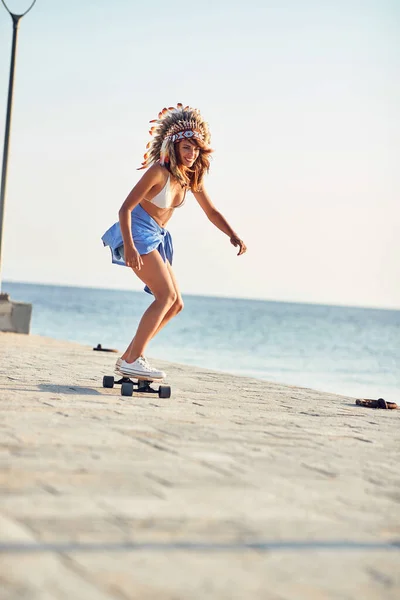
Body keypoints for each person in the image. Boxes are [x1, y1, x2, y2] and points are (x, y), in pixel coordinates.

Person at [102, 103, 247, 380]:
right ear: (173, 148)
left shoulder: (192, 177)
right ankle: (133, 359)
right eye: (186, 148)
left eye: (195, 149)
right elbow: (125, 209)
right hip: (137, 232)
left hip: (156, 236)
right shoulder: (158, 172)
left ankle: (129, 356)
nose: (191, 154)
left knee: (176, 303)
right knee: (164, 296)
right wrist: (130, 247)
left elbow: (212, 212)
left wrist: (233, 234)